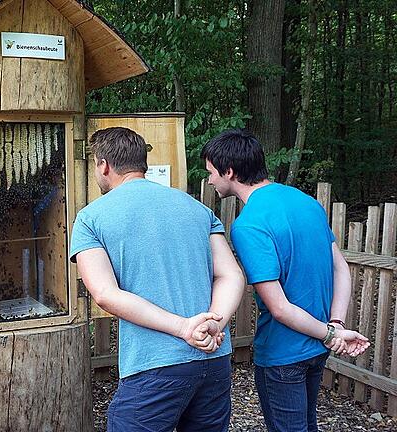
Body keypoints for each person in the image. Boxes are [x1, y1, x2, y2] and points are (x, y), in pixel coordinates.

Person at [70, 127, 245, 432]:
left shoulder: (91, 217)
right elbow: (231, 275)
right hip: (214, 358)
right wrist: (215, 322)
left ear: (104, 165)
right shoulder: (198, 209)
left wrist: (183, 328)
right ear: (143, 164)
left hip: (154, 365)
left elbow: (104, 294)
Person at [201, 129, 370, 432]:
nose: (210, 181)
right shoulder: (306, 202)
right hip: (318, 347)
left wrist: (330, 335)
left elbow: (279, 308)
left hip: (284, 354)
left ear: (229, 171)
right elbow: (341, 269)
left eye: (212, 172)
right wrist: (335, 326)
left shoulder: (248, 225)